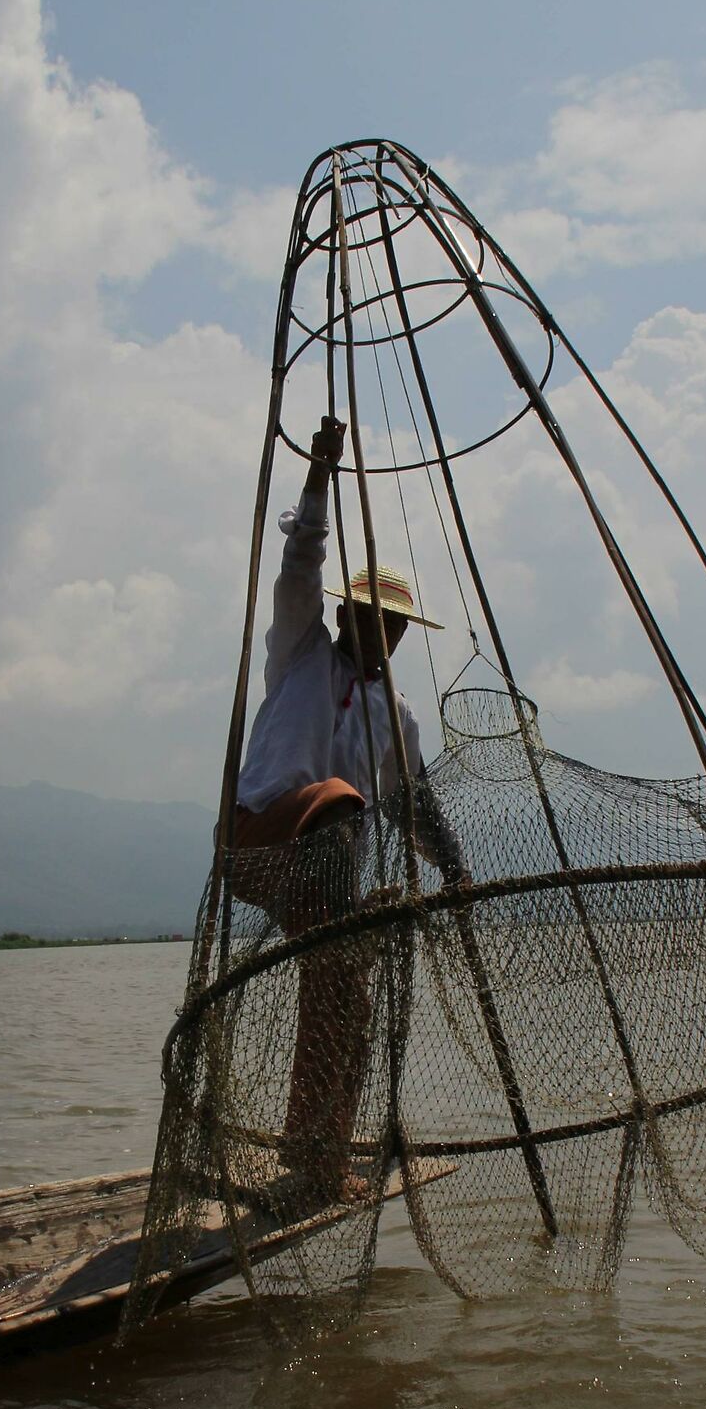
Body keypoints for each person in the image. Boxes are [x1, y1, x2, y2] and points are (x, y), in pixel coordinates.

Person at [228, 417, 461, 1214]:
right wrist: (321, 473)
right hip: (266, 841)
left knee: (347, 1004)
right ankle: (314, 1158)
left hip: (324, 886)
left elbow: (415, 807)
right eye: (364, 617)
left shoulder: (397, 715)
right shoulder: (301, 651)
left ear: (397, 634)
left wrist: (455, 868)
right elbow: (300, 563)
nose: (376, 632)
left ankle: (316, 1159)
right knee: (339, 804)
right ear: (343, 617)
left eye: (388, 625)